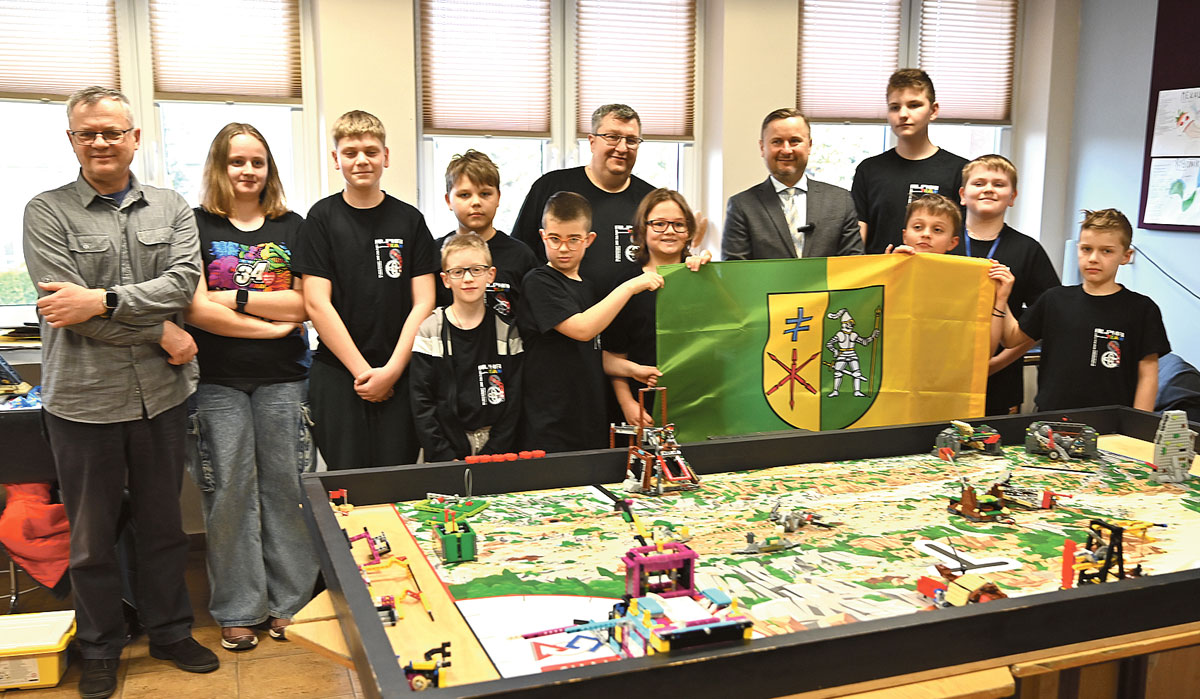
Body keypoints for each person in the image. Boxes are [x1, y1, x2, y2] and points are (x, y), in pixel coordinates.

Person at [22, 86, 218, 699]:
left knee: (164, 528)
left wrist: (102, 299)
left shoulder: (171, 205)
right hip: (82, 402)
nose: (101, 142)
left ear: (135, 137)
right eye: (88, 133)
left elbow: (182, 284)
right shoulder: (46, 211)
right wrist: (158, 329)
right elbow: (65, 311)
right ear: (72, 140)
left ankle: (170, 632)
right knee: (91, 540)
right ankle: (100, 647)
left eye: (112, 131)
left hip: (161, 396)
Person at [182, 123, 317, 651]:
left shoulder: (293, 227)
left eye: (257, 161)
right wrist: (271, 324)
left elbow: (304, 303)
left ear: (269, 168)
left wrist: (232, 297)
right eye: (236, 161)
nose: (247, 171)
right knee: (228, 493)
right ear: (220, 166)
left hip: (285, 379)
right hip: (216, 381)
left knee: (287, 490)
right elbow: (196, 310)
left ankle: (292, 604)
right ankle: (239, 608)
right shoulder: (195, 224)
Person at [294, 110, 438, 469]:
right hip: (338, 374)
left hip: (401, 371)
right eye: (350, 152)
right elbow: (317, 303)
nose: (361, 160)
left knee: (398, 480)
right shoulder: (320, 219)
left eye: (371, 151)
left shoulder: (410, 220)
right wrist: (363, 372)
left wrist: (391, 370)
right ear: (336, 159)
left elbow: (424, 302)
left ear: (385, 156)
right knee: (347, 485)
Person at [517, 192, 663, 452]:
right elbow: (583, 330)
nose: (563, 248)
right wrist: (630, 287)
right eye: (555, 239)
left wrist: (632, 370)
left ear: (589, 240)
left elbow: (593, 351)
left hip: (590, 418)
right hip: (551, 422)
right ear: (542, 236)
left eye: (573, 239)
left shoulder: (588, 288)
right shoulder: (538, 281)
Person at [997, 209, 1170, 412]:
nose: (1093, 258)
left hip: (1110, 423)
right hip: (1050, 420)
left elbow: (1148, 376)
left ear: (1126, 256)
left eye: (1106, 251)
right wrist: (1002, 297)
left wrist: (1138, 426)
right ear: (1078, 249)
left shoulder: (1142, 309)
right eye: (1086, 249)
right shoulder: (1054, 299)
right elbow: (1011, 339)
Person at [512, 104, 656, 289]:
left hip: (631, 306)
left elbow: (664, 258)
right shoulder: (551, 186)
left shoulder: (651, 200)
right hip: (558, 304)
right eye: (612, 137)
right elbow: (520, 254)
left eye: (631, 140)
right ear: (592, 142)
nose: (622, 148)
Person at [958, 155, 1059, 415]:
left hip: (999, 377)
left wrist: (997, 363)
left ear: (1012, 197)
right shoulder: (943, 241)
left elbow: (1043, 319)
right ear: (962, 194)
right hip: (942, 370)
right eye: (979, 183)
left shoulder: (1028, 250)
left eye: (999, 184)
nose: (988, 189)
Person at [411, 234, 523, 460]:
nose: (468, 278)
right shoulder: (430, 330)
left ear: (491, 275)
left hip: (496, 451)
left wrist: (494, 452)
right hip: (444, 450)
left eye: (476, 270)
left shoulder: (507, 331)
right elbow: (421, 401)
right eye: (458, 272)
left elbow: (514, 400)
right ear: (445, 279)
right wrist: (444, 455)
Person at [604, 189, 710, 426]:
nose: (669, 231)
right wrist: (627, 403)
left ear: (689, 231)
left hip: (698, 403)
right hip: (644, 405)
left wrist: (713, 274)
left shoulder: (704, 279)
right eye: (659, 224)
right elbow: (612, 356)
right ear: (642, 230)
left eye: (678, 224)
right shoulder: (626, 285)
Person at [852, 69, 969, 255]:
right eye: (895, 107)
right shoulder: (869, 170)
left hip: (936, 272)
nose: (903, 114)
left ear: (933, 110)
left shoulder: (960, 171)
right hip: (881, 270)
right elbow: (858, 238)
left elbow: (964, 237)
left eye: (914, 105)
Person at [721, 108, 863, 260]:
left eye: (795, 141)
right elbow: (735, 268)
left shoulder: (840, 201)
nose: (786, 150)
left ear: (809, 145)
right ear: (762, 148)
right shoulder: (742, 206)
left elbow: (853, 263)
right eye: (777, 142)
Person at [889, 194, 1011, 353]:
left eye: (937, 230)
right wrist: (889, 273)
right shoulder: (889, 269)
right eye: (918, 227)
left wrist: (1000, 299)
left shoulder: (967, 283)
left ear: (953, 242)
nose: (926, 234)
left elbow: (984, 350)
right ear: (905, 235)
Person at [434, 150, 537, 319]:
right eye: (464, 195)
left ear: (498, 198)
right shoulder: (435, 253)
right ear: (448, 201)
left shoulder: (521, 256)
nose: (476, 202)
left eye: (485, 194)